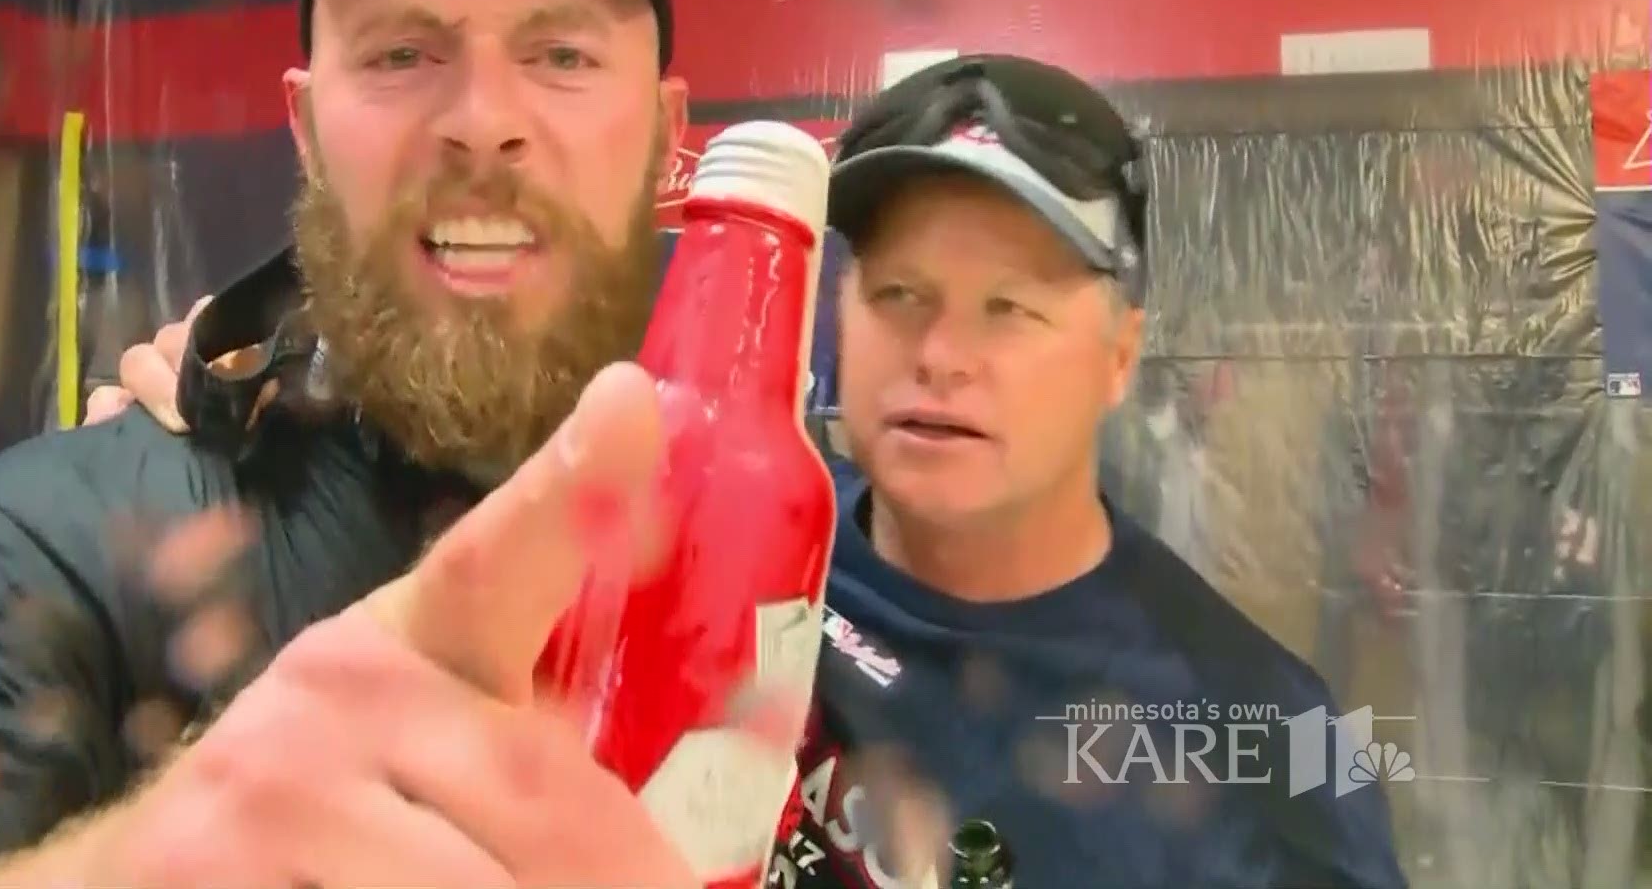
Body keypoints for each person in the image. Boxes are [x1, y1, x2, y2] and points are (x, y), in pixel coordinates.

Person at [98, 55, 1409, 887]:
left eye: (1011, 309)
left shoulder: (1268, 747)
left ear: (1120, 355)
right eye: (897, 293)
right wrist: (240, 426)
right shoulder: (714, 538)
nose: (942, 354)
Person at [0, 0, 706, 886]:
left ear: (666, 138)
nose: (481, 120)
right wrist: (138, 863)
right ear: (310, 128)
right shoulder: (66, 547)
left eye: (561, 55)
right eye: (403, 53)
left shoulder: (826, 551)